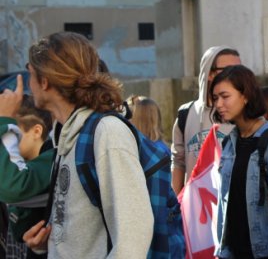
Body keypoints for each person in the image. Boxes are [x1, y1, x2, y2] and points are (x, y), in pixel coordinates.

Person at [20, 32, 153, 256]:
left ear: (44, 81)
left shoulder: (107, 132)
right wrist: (50, 246)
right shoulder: (66, 133)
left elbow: (133, 236)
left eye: (30, 74)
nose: (28, 84)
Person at [213, 65, 268, 259]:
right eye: (215, 98)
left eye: (225, 97)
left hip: (265, 254)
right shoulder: (230, 143)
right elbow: (224, 202)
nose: (218, 104)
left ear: (245, 96)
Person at [171, 47, 241, 194]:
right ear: (210, 73)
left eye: (239, 69)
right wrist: (175, 207)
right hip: (195, 210)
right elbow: (178, 161)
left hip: (230, 206)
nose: (236, 75)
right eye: (229, 69)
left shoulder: (242, 112)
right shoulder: (186, 113)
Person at [0, 96, 54, 259]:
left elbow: (16, 186)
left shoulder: (52, 160)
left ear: (37, 131)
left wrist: (3, 121)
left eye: (13, 129)